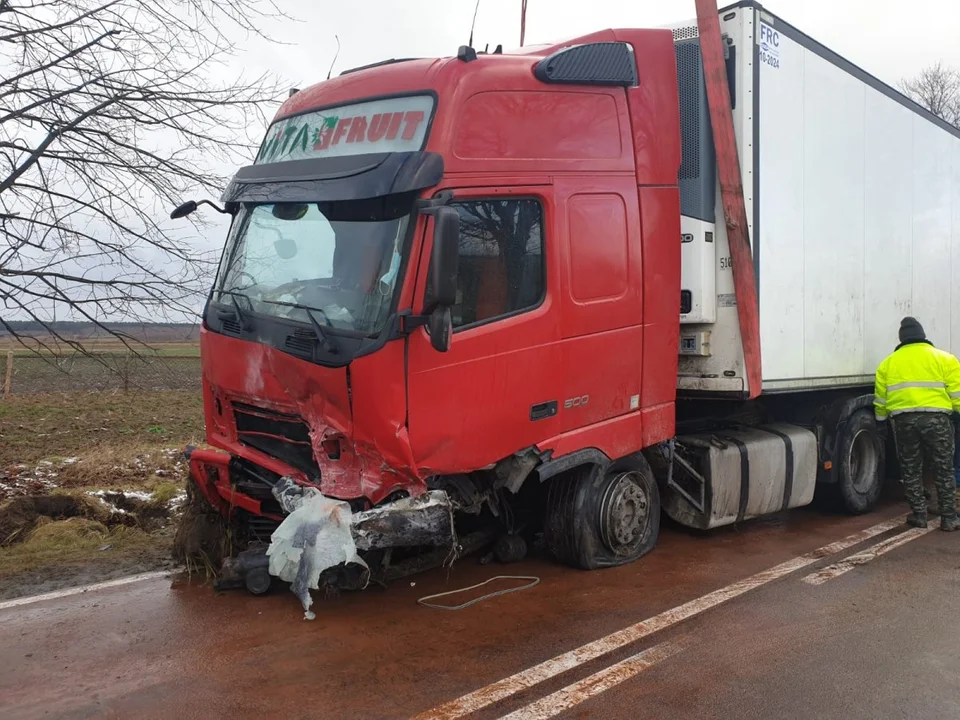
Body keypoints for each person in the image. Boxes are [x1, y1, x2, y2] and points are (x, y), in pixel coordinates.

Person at [874, 317, 960, 531]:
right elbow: (957, 393)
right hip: (937, 421)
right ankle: (949, 518)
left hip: (904, 422)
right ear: (923, 335)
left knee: (911, 469)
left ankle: (919, 515)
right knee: (943, 468)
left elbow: (881, 400)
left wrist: (880, 422)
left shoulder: (888, 364)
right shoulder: (945, 359)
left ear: (901, 339)